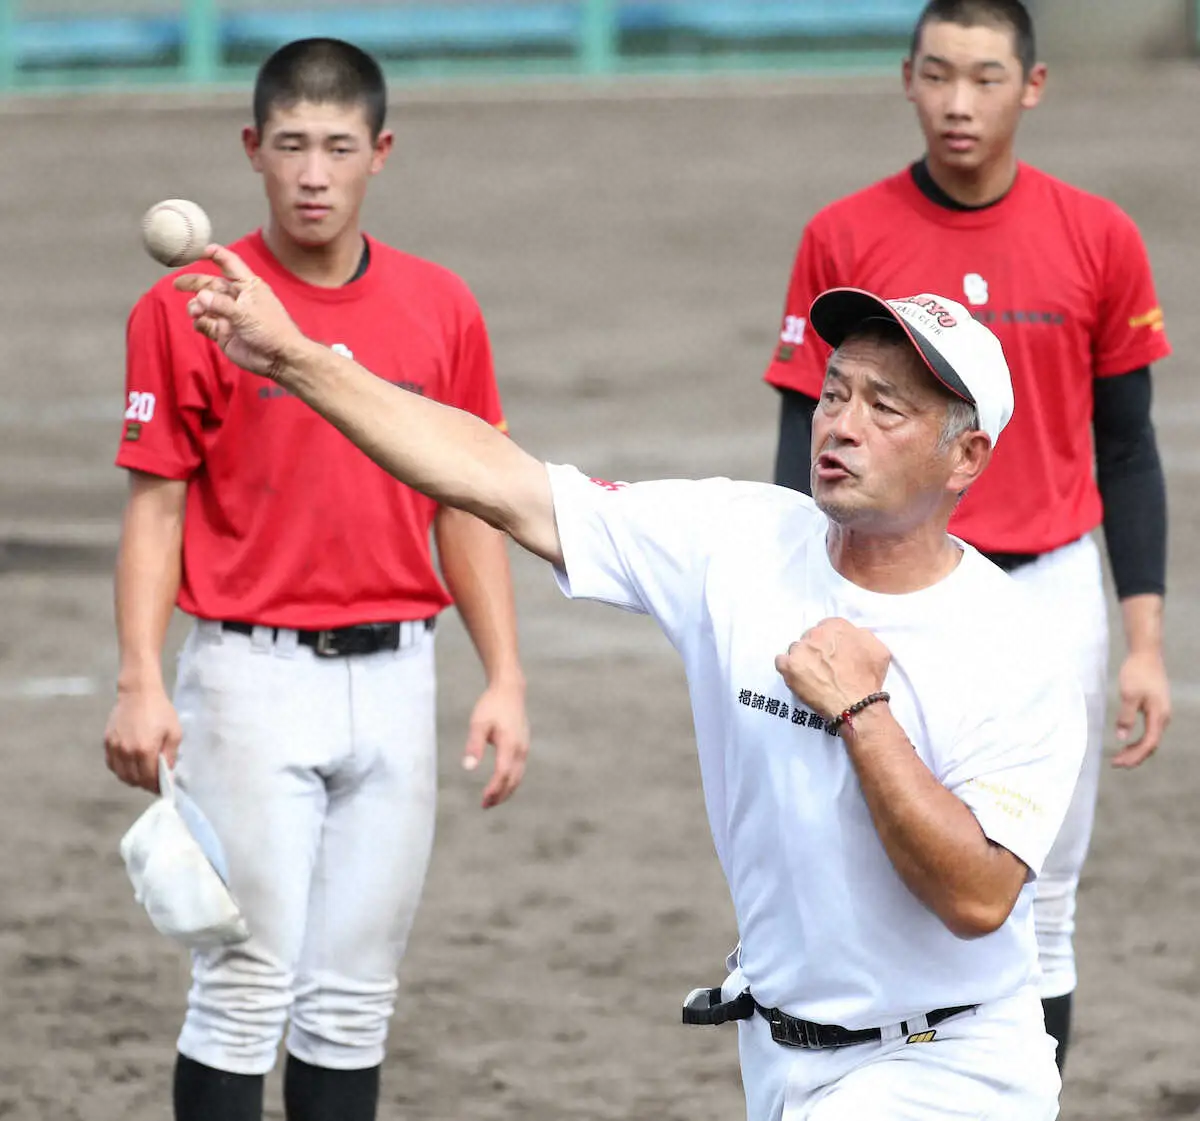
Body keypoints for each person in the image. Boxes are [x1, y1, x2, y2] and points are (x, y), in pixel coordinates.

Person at [174, 245, 1088, 1119]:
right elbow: (504, 482)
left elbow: (978, 896)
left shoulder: (1014, 645)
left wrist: (861, 711)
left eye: (886, 408)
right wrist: (295, 358)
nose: (842, 423)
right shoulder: (739, 540)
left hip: (944, 1069)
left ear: (965, 457)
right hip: (783, 1058)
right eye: (835, 390)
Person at [101, 39, 531, 1121]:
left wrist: (504, 673)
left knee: (351, 1002)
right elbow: (155, 505)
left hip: (398, 676)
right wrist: (140, 677)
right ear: (252, 149)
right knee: (244, 988)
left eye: (338, 147)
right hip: (249, 679)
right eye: (290, 144)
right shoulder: (188, 308)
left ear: (380, 153)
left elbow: (470, 500)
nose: (312, 172)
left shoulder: (441, 307)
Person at [762, 0, 1172, 1070]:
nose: (958, 102)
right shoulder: (841, 236)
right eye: (938, 74)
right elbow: (802, 438)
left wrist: (1142, 640)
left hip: (1048, 594)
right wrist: (794, 605)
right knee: (868, 870)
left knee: (1039, 900)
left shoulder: (1101, 236)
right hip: (885, 595)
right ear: (906, 78)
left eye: (985, 77)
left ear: (1031, 86)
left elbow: (1127, 448)